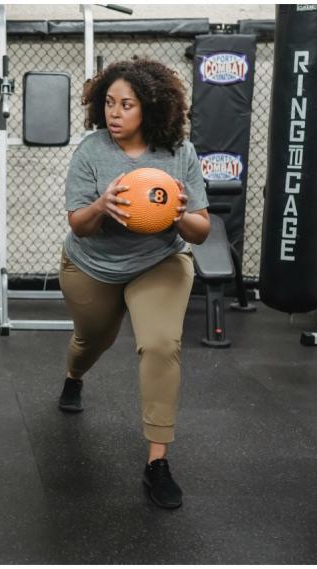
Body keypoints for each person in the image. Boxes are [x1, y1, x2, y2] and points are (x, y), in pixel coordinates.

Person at [58, 58, 210, 509]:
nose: (115, 112)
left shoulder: (179, 153)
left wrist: (178, 214)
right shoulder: (91, 151)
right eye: (108, 103)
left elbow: (201, 230)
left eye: (127, 104)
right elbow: (79, 225)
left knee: (161, 344)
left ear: (152, 108)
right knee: (93, 339)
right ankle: (73, 376)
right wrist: (103, 204)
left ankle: (157, 463)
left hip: (158, 263)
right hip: (93, 264)